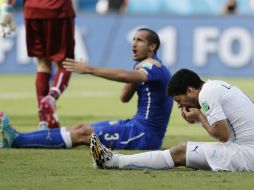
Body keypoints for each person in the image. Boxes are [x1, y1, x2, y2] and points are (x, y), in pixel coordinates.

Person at [0, 28, 173, 150]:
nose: (134, 44)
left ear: (152, 47)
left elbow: (126, 76)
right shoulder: (141, 66)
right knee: (79, 127)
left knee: (83, 134)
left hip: (144, 136)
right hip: (135, 124)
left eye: (140, 40)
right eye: (133, 39)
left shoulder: (154, 67)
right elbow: (124, 97)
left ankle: (17, 140)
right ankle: (19, 135)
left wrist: (89, 69)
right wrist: (133, 75)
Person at [90, 68, 254, 172]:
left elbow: (222, 136)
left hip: (246, 154)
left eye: (179, 100)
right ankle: (113, 160)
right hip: (243, 148)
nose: (180, 105)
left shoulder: (206, 94)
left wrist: (198, 116)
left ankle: (112, 162)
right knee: (182, 150)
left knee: (181, 151)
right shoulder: (214, 86)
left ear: (190, 89)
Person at [0, 0, 76, 129]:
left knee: (42, 64)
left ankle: (44, 121)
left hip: (32, 10)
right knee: (66, 63)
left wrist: (7, 8)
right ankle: (50, 99)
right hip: (58, 9)